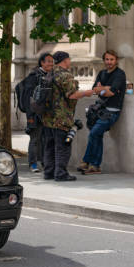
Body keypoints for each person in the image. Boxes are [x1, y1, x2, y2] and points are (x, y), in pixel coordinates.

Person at [42, 51, 94, 181]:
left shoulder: (49, 73)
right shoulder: (65, 75)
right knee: (63, 146)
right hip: (62, 117)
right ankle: (60, 173)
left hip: (48, 117)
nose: (70, 62)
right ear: (65, 60)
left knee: (49, 146)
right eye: (69, 59)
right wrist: (86, 93)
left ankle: (49, 172)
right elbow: (72, 95)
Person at [78, 50, 127, 175]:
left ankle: (87, 161)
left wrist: (103, 89)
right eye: (107, 59)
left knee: (94, 133)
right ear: (104, 60)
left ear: (116, 60)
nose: (109, 62)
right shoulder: (101, 73)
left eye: (111, 59)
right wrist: (104, 89)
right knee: (97, 135)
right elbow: (95, 89)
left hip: (112, 111)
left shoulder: (120, 74)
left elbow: (112, 92)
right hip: (100, 110)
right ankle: (94, 166)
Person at [26, 53, 54, 172]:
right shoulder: (34, 76)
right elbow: (28, 97)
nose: (51, 64)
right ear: (42, 62)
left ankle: (44, 162)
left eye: (52, 61)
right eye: (48, 61)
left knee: (45, 138)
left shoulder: (51, 75)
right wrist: (30, 115)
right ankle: (33, 164)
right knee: (35, 139)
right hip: (34, 114)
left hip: (46, 113)